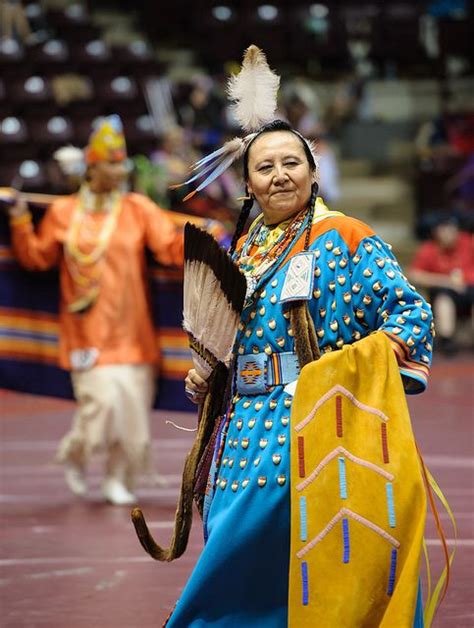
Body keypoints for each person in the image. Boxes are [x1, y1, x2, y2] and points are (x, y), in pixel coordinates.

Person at [159, 47, 435, 627]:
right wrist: (210, 375)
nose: (280, 174)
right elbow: (233, 338)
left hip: (313, 428)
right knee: (240, 554)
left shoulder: (345, 236)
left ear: (313, 172)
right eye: (265, 167)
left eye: (292, 163)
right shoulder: (246, 249)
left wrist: (343, 373)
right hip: (240, 435)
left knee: (265, 560)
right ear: (248, 185)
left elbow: (412, 315)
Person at [7, 115, 184, 505]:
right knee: (100, 406)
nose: (120, 170)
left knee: (132, 412)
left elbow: (170, 250)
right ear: (92, 167)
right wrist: (20, 218)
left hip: (134, 331)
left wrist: (203, 241)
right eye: (112, 163)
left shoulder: (138, 208)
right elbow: (36, 259)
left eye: (122, 163)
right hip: (87, 331)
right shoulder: (64, 213)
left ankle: (117, 479)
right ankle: (77, 452)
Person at [409, 213, 473, 355]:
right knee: (444, 299)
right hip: (445, 292)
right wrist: (447, 282)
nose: (448, 234)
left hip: (470, 289)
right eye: (443, 230)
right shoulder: (429, 248)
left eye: (451, 229)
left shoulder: (468, 242)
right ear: (436, 232)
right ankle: (447, 341)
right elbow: (415, 275)